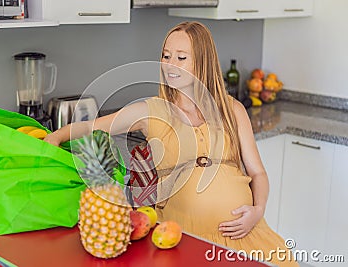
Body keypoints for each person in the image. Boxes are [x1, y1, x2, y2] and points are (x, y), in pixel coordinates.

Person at [44, 21, 297, 266]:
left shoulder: (233, 110)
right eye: (166, 56)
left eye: (181, 57)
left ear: (203, 62)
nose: (170, 64)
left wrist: (258, 210)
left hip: (244, 237)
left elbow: (258, 172)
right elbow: (91, 126)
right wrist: (57, 136)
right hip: (183, 239)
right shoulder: (150, 110)